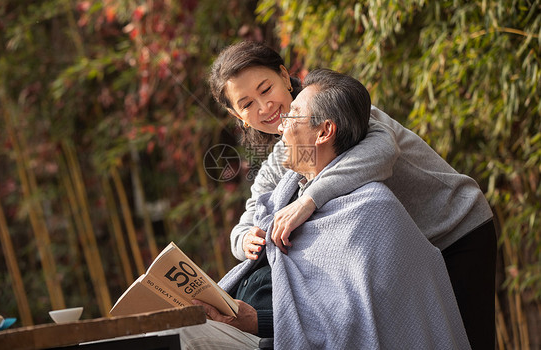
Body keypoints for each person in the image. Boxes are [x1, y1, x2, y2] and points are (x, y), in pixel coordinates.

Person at [209, 40, 496, 349]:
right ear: (236, 114)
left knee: (465, 339)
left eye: (265, 89)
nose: (264, 107)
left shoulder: (334, 106)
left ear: (283, 74)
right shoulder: (280, 160)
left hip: (457, 229)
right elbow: (252, 213)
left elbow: (382, 150)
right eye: (247, 104)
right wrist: (244, 240)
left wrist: (309, 200)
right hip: (408, 253)